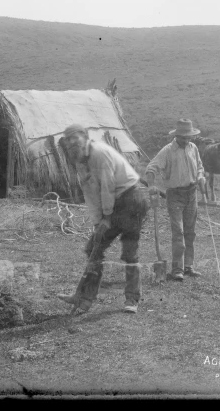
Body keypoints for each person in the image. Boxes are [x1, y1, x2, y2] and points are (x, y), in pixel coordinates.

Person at [56, 124, 150, 314]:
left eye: (76, 139)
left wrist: (107, 217)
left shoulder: (99, 153)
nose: (73, 144)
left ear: (86, 138)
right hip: (114, 204)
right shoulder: (80, 160)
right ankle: (83, 298)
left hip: (131, 200)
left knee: (130, 252)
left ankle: (132, 299)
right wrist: (97, 221)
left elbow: (107, 186)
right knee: (94, 248)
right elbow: (90, 193)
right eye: (69, 142)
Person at [145, 119, 206, 282]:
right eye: (184, 137)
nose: (187, 140)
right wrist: (151, 185)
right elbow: (151, 168)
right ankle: (177, 269)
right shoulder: (167, 151)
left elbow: (200, 167)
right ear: (177, 136)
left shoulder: (193, 148)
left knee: (190, 232)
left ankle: (189, 266)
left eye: (189, 137)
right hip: (175, 195)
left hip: (191, 194)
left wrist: (200, 177)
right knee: (178, 232)